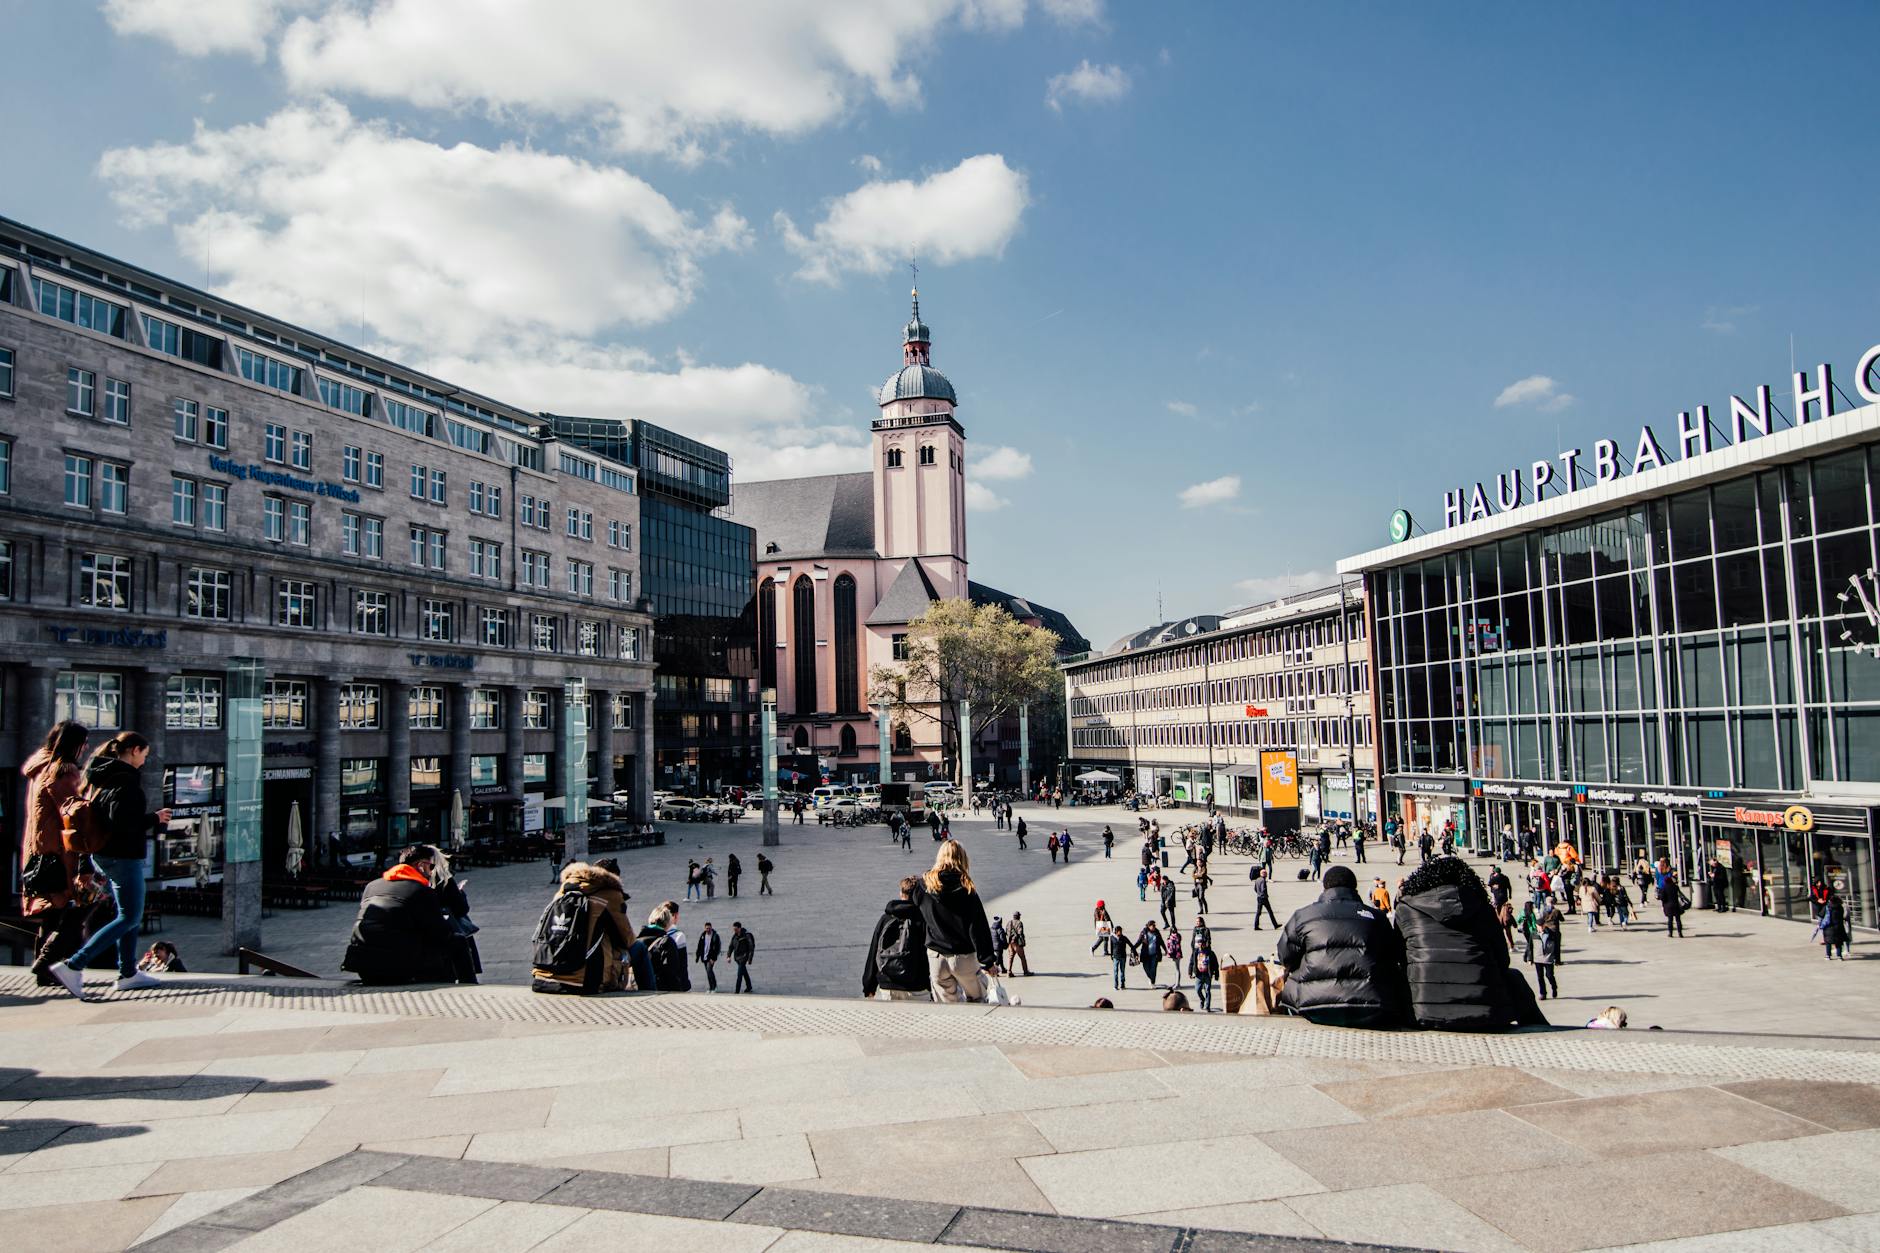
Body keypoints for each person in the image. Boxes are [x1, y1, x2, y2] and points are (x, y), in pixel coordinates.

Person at [46, 733, 174, 1000]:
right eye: (144, 754)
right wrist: (155, 817)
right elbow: (123, 824)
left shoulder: (102, 778)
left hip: (106, 856)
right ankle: (74, 965)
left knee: (127, 915)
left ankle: (128, 972)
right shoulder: (126, 782)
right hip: (123, 857)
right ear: (134, 750)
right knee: (129, 917)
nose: (144, 760)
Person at [1394, 856, 1547, 1030]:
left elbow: (1400, 958)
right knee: (1514, 977)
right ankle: (1541, 1030)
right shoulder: (1482, 907)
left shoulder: (1406, 908)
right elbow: (1503, 960)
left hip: (1423, 1012)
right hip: (1489, 1014)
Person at [1274, 865, 1409, 1028]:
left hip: (1313, 1005)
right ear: (1354, 887)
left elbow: (1285, 956)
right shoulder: (1377, 917)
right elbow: (1393, 955)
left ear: (1325, 887)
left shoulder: (1303, 916)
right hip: (1372, 1006)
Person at [20, 721, 90, 986]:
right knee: (74, 912)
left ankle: (48, 970)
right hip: (59, 855)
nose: (85, 749)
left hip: (39, 852)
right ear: (74, 744)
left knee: (51, 914)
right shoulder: (63, 771)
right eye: (83, 743)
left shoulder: (41, 767)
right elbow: (75, 815)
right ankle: (51, 966)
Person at [339, 845, 457, 986]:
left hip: (362, 964)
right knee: (457, 941)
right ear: (420, 866)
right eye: (431, 867)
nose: (432, 872)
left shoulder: (372, 886)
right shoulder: (422, 891)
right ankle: (467, 986)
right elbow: (440, 932)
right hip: (397, 967)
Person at [531, 860, 650, 994]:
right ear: (615, 876)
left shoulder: (564, 889)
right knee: (639, 948)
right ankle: (652, 993)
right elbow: (627, 939)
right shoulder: (610, 893)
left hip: (544, 974)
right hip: (582, 980)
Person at [908, 840, 997, 1002]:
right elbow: (978, 927)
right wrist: (988, 961)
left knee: (947, 1008)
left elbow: (915, 917)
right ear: (962, 859)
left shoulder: (921, 886)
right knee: (978, 1000)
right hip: (963, 957)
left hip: (936, 957)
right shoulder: (966, 888)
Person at [864, 878, 930, 999]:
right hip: (916, 986)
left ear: (901, 893)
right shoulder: (923, 919)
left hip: (887, 984)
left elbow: (874, 950)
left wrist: (869, 986)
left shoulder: (886, 918)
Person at [638, 903, 692, 991]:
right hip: (660, 990)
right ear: (668, 923)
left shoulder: (637, 941)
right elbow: (671, 972)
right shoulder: (667, 941)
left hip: (639, 990)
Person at [1815, 891, 1851, 960]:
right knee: (1838, 942)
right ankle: (1839, 956)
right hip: (1839, 927)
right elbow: (1843, 916)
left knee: (1828, 942)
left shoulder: (1827, 907)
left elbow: (1820, 915)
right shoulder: (1840, 908)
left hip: (1828, 927)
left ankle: (1828, 955)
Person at [1534, 911, 1561, 1000]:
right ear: (1536, 926)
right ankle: (1543, 993)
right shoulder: (1533, 934)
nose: (1541, 927)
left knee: (1549, 975)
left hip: (1548, 958)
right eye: (1539, 926)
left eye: (1542, 925)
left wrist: (1557, 960)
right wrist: (1529, 957)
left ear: (1545, 925)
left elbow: (1557, 948)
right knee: (1540, 977)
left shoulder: (1551, 934)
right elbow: (1530, 946)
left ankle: (1554, 987)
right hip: (1538, 958)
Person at [1659, 861, 1688, 938]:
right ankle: (1680, 933)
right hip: (1675, 905)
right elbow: (1679, 895)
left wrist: (1663, 904)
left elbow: (1662, 898)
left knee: (1670, 920)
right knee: (1678, 920)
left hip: (1668, 906)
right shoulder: (1675, 887)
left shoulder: (1664, 888)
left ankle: (1670, 933)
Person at [1190, 936, 1219, 1012]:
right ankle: (1202, 999)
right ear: (1198, 944)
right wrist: (1190, 972)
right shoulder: (1195, 953)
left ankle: (1207, 1006)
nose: (1201, 945)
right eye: (1200, 943)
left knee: (1207, 990)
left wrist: (1216, 974)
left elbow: (1216, 964)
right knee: (1198, 990)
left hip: (1207, 974)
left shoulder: (1210, 953)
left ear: (1205, 944)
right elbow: (1191, 963)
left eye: (1203, 943)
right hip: (1198, 974)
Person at [729, 921, 756, 992]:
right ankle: (749, 987)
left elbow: (751, 947)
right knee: (744, 972)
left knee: (739, 975)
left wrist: (750, 959)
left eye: (736, 929)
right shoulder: (734, 936)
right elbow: (731, 946)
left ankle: (737, 991)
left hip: (744, 957)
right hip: (737, 958)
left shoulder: (747, 935)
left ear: (740, 928)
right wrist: (728, 956)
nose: (735, 931)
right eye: (734, 929)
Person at [696, 920, 722, 991]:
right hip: (704, 957)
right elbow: (699, 946)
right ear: (705, 928)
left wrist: (713, 958)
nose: (708, 930)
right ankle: (711, 987)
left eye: (709, 928)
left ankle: (714, 987)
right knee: (708, 972)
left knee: (709, 970)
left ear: (711, 928)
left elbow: (717, 948)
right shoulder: (703, 935)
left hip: (710, 957)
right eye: (706, 928)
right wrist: (697, 956)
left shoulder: (715, 936)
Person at [1137, 920, 1165, 985]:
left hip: (1155, 954)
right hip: (1146, 954)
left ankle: (1153, 982)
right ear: (1149, 926)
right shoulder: (1144, 932)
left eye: (1155, 925)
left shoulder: (1157, 932)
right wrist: (1133, 948)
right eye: (1153, 925)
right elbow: (1139, 941)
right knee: (1145, 967)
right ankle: (1150, 977)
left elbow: (1161, 941)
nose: (1154, 927)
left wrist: (1165, 950)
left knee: (1153, 969)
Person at [1007, 910, 1031, 975]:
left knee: (1011, 957)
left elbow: (1007, 932)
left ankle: (1009, 971)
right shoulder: (1019, 923)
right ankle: (1026, 971)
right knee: (1022, 957)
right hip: (1016, 943)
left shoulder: (1009, 922)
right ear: (1018, 916)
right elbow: (1019, 932)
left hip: (1010, 943)